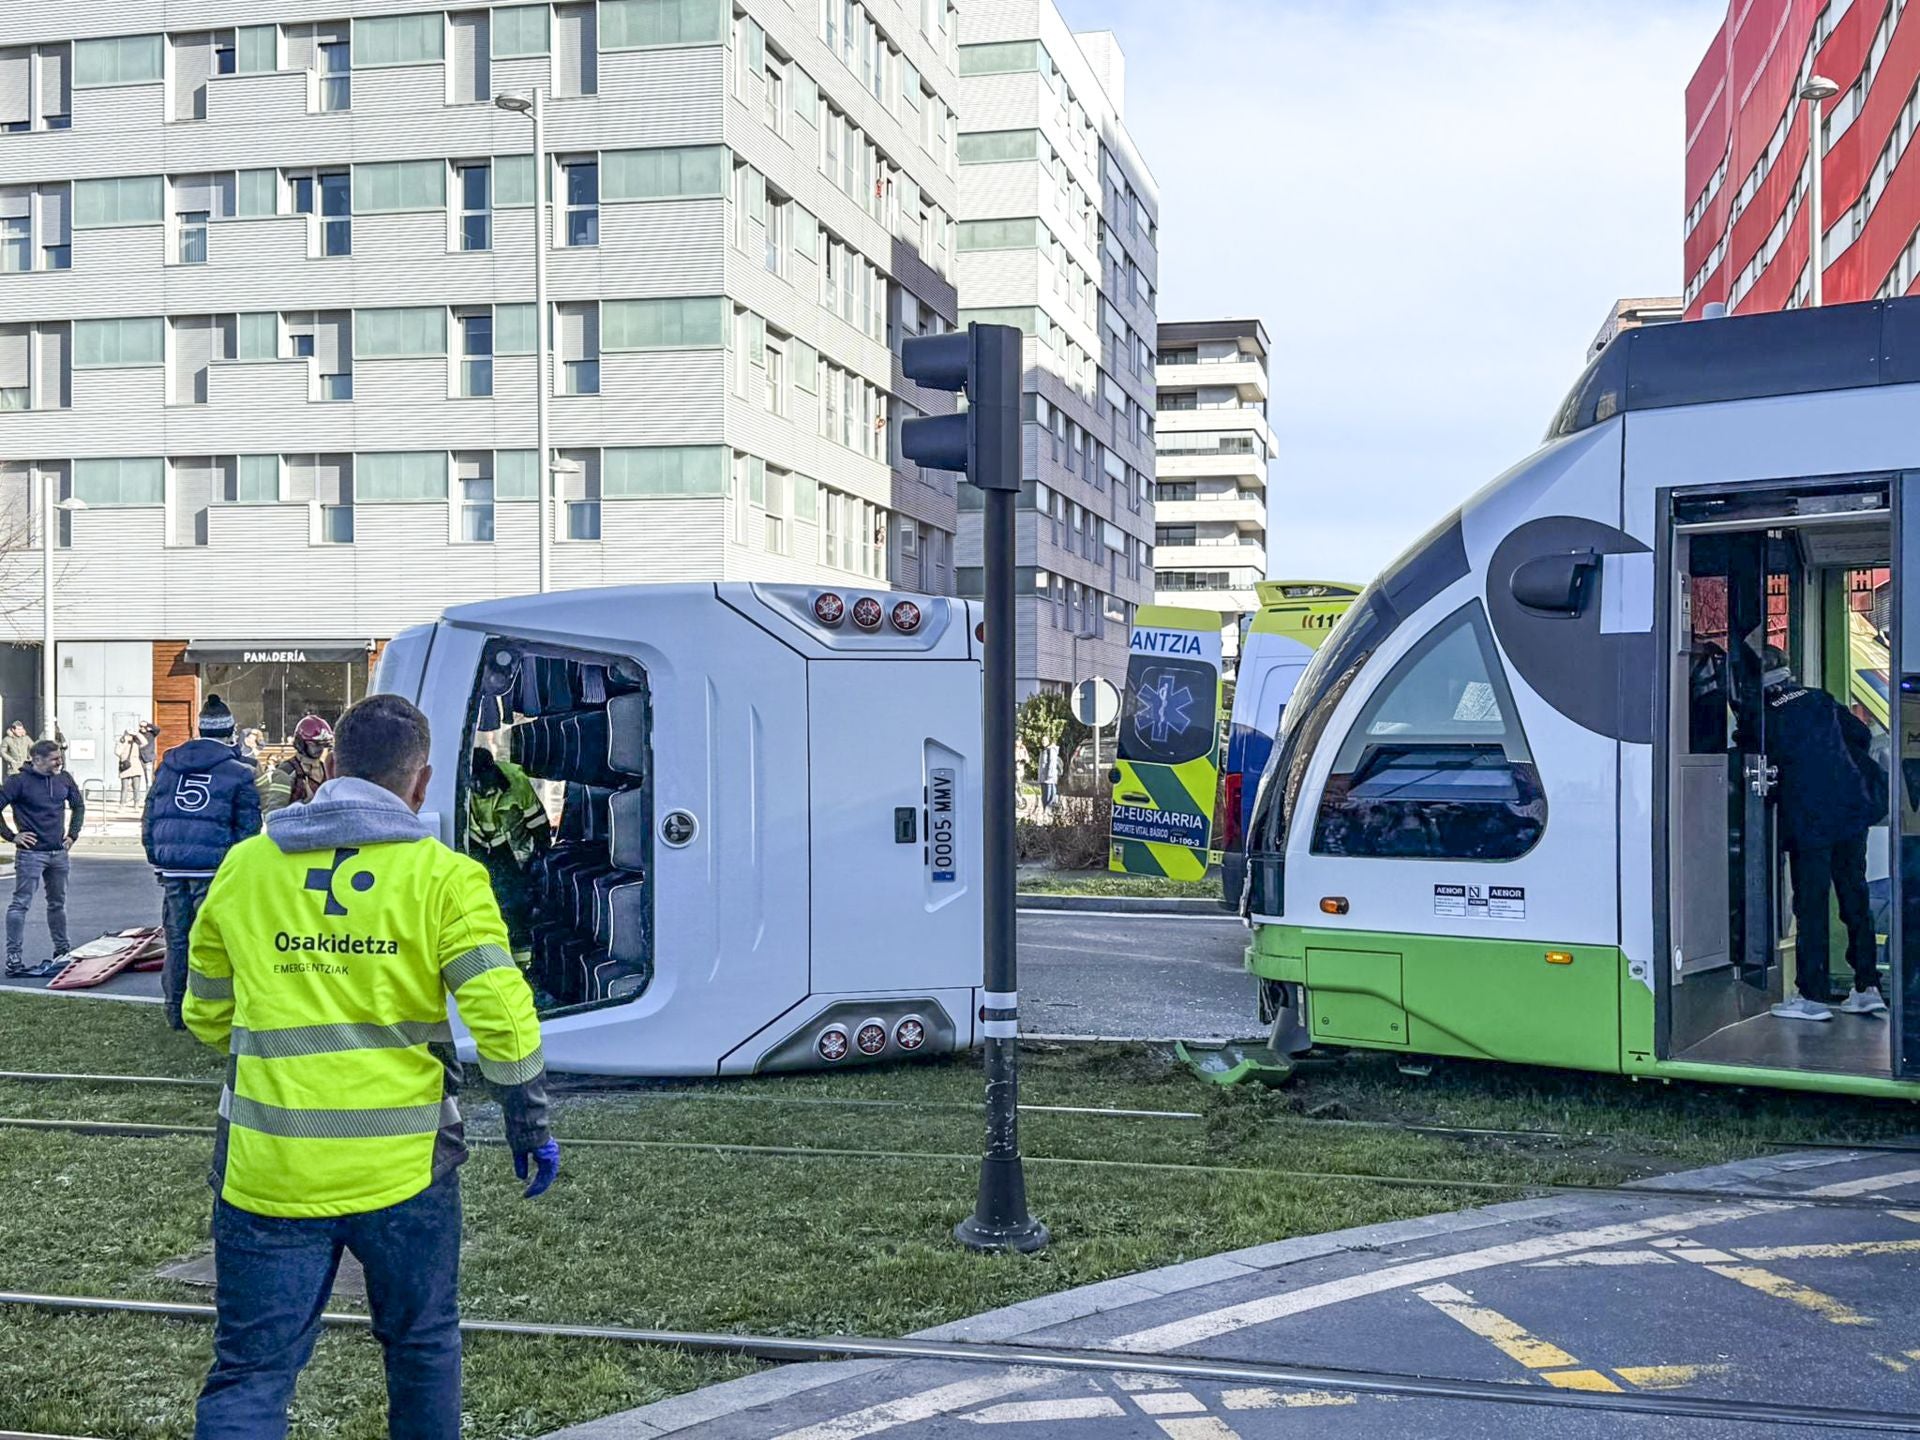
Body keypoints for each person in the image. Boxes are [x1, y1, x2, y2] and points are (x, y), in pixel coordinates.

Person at [184, 693, 558, 1440]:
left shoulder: (246, 867)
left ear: (331, 767)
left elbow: (207, 1014)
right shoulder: (445, 879)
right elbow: (503, 1017)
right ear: (418, 784)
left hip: (270, 1169)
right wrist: (528, 1118)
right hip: (405, 1170)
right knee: (421, 1348)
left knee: (251, 1375)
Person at [1759, 646, 1889, 1022]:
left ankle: (1812, 996)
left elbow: (1756, 756)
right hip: (1851, 809)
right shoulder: (1820, 699)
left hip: (1810, 818)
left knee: (1811, 903)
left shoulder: (1767, 713)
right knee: (1854, 894)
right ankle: (1866, 987)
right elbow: (1860, 734)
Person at [142, 695, 261, 1030]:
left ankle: (175, 1011)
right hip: (215, 869)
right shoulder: (240, 772)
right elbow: (248, 828)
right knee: (215, 941)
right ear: (230, 732)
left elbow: (149, 815)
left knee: (177, 940)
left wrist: (157, 859)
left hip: (173, 868)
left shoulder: (168, 765)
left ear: (199, 729)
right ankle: (213, 1011)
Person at [0, 739, 83, 978]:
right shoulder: (17, 782)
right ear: (37, 760)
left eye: (60, 758)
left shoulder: (64, 778)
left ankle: (62, 951)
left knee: (58, 904)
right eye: (54, 759)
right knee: (20, 904)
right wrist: (12, 836)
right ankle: (14, 958)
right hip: (31, 855)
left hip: (58, 853)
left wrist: (72, 835)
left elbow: (79, 806)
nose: (60, 762)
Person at [466, 747, 551, 966]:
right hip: (478, 849)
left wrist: (542, 851)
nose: (479, 787)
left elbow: (536, 818)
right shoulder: (460, 788)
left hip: (511, 849)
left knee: (516, 903)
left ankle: (523, 964)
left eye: (482, 780)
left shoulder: (515, 780)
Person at [258, 714, 333, 814]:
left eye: (323, 745)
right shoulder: (286, 772)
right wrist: (304, 804)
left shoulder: (326, 769)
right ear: (300, 743)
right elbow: (274, 814)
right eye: (315, 745)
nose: (320, 749)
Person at [116, 727, 145, 807]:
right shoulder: (121, 742)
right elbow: (117, 752)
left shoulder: (136, 743)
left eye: (131, 735)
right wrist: (124, 742)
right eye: (128, 734)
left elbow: (145, 742)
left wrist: (137, 734)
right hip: (125, 766)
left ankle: (136, 804)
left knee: (136, 787)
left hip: (135, 765)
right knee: (124, 787)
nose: (130, 736)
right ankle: (122, 804)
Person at [1039, 742, 1062, 813]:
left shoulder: (1051, 750)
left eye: (1045, 740)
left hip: (1049, 777)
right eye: (1042, 740)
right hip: (1043, 776)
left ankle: (1049, 809)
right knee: (1044, 794)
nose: (1043, 742)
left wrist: (1049, 775)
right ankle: (1045, 809)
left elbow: (1051, 764)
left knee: (1049, 794)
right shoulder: (1043, 750)